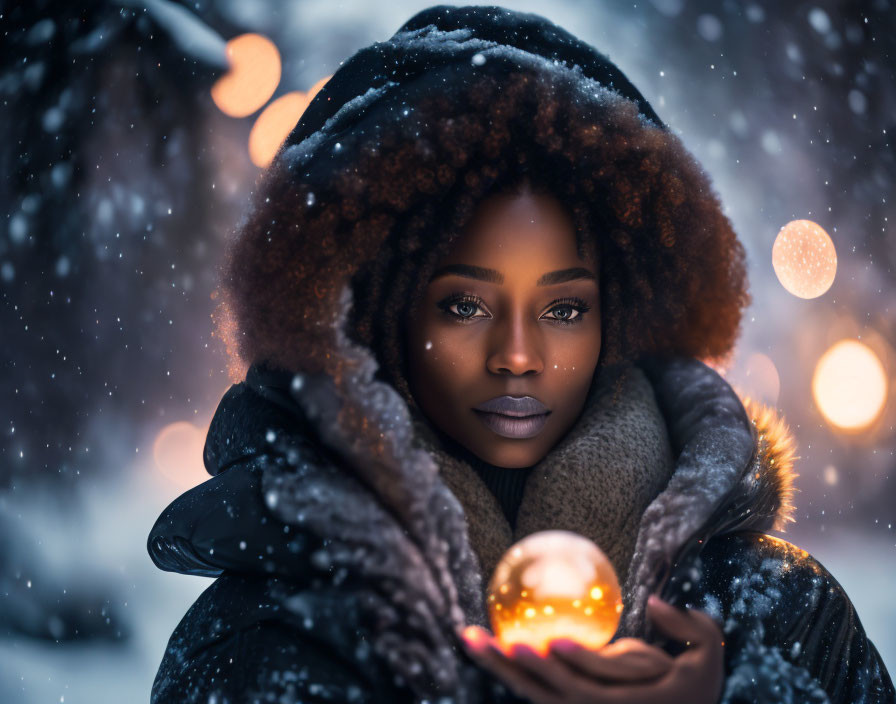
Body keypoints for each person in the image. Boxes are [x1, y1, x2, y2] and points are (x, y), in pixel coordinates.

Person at [147, 5, 895, 703]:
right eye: (464, 305)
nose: (518, 356)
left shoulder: (782, 619)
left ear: (621, 318)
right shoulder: (255, 650)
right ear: (367, 323)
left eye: (564, 307)